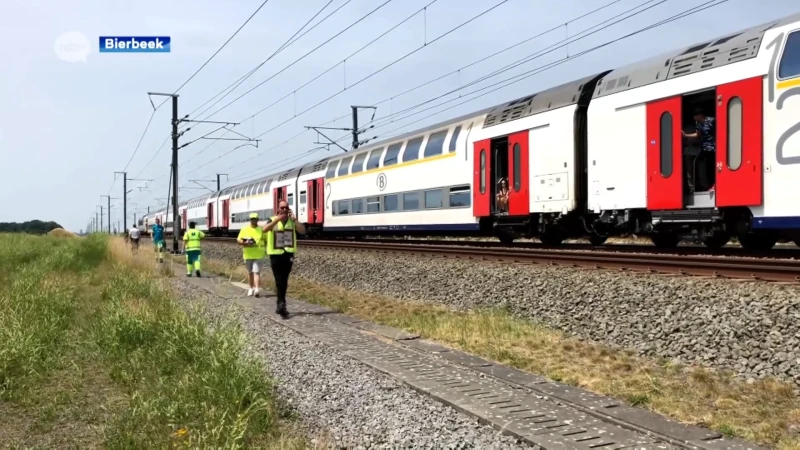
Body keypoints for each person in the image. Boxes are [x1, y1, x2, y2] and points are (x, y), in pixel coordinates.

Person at [263, 200, 305, 318]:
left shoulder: (292, 222)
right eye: (282, 208)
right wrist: (277, 219)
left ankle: (281, 304)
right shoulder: (272, 220)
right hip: (275, 254)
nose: (284, 210)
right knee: (279, 280)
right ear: (278, 209)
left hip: (288, 254)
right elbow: (264, 229)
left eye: (286, 208)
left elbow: (302, 230)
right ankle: (281, 304)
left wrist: (295, 220)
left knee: (284, 280)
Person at [682, 108, 716, 192]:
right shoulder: (698, 124)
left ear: (699, 115)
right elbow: (698, 135)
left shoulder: (712, 120)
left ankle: (714, 185)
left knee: (712, 166)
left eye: (694, 116)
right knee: (704, 166)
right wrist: (686, 135)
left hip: (713, 147)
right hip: (704, 148)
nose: (694, 118)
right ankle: (706, 185)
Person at [237, 213, 266, 297]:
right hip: (248, 254)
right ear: (250, 220)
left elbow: (266, 240)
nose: (253, 220)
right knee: (250, 272)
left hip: (259, 254)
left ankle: (256, 289)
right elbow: (238, 240)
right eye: (252, 219)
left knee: (256, 272)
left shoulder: (261, 229)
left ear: (257, 219)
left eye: (255, 219)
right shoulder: (244, 229)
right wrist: (244, 242)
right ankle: (250, 288)